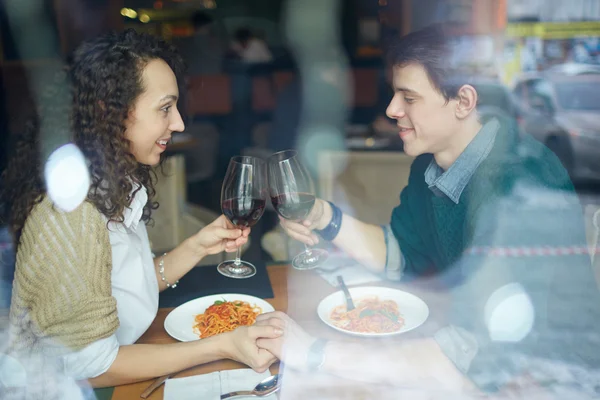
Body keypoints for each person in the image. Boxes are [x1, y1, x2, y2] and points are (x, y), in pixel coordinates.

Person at [257, 25, 600, 397]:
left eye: (409, 97)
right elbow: (401, 252)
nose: (391, 109)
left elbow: (460, 350)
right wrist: (325, 217)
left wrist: (313, 352)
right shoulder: (431, 165)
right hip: (472, 358)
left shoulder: (520, 185)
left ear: (464, 102)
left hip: (545, 379)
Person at [1, 30, 282, 390]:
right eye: (165, 108)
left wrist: (197, 245)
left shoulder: (112, 186)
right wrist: (220, 345)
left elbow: (121, 287)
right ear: (111, 112)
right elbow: (93, 366)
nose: (179, 123)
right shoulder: (71, 215)